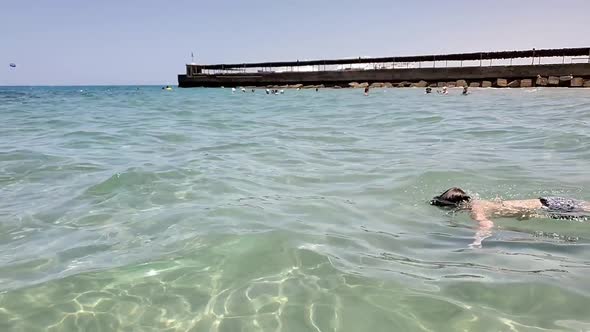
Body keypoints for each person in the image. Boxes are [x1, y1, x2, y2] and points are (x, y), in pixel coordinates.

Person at [430, 187, 590, 247]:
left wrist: (477, 242)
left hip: (551, 207)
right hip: (549, 200)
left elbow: (486, 225)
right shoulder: (478, 202)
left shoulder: (475, 209)